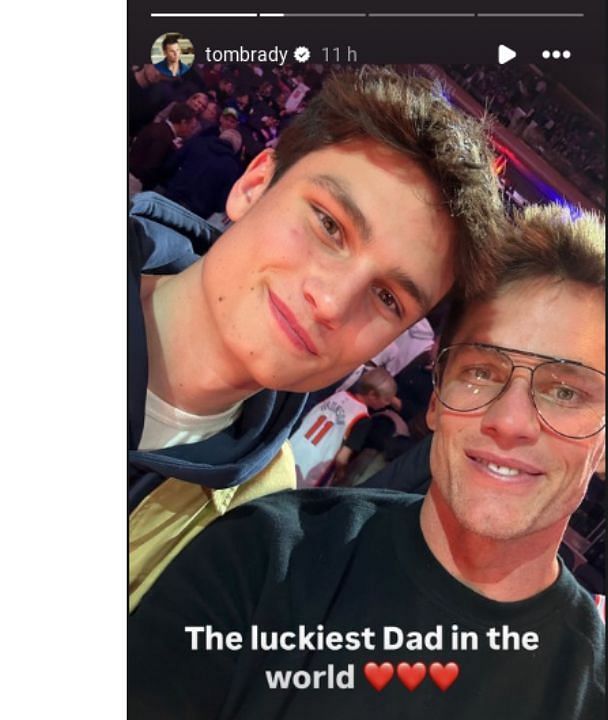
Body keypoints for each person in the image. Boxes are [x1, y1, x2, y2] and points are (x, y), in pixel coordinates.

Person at [128, 205, 607, 719]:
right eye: (482, 372)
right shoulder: (264, 554)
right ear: (436, 396)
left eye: (565, 391)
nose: (510, 421)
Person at [128, 67, 507, 612]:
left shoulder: (267, 527)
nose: (330, 303)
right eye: (330, 226)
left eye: (386, 299)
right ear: (255, 184)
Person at [290, 368, 398, 488]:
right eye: (387, 399)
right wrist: (341, 472)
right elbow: (342, 457)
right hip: (314, 465)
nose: (387, 404)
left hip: (295, 446)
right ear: (372, 394)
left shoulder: (339, 395)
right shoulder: (362, 418)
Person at [162, 128, 245, 221]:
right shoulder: (233, 168)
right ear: (236, 149)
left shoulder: (198, 143)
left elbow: (172, 163)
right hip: (194, 215)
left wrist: (171, 183)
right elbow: (222, 203)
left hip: (171, 195)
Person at [128, 102, 201, 191]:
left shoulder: (158, 127)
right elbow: (150, 168)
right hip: (134, 182)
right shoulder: (164, 137)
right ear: (183, 122)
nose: (191, 132)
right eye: (191, 127)